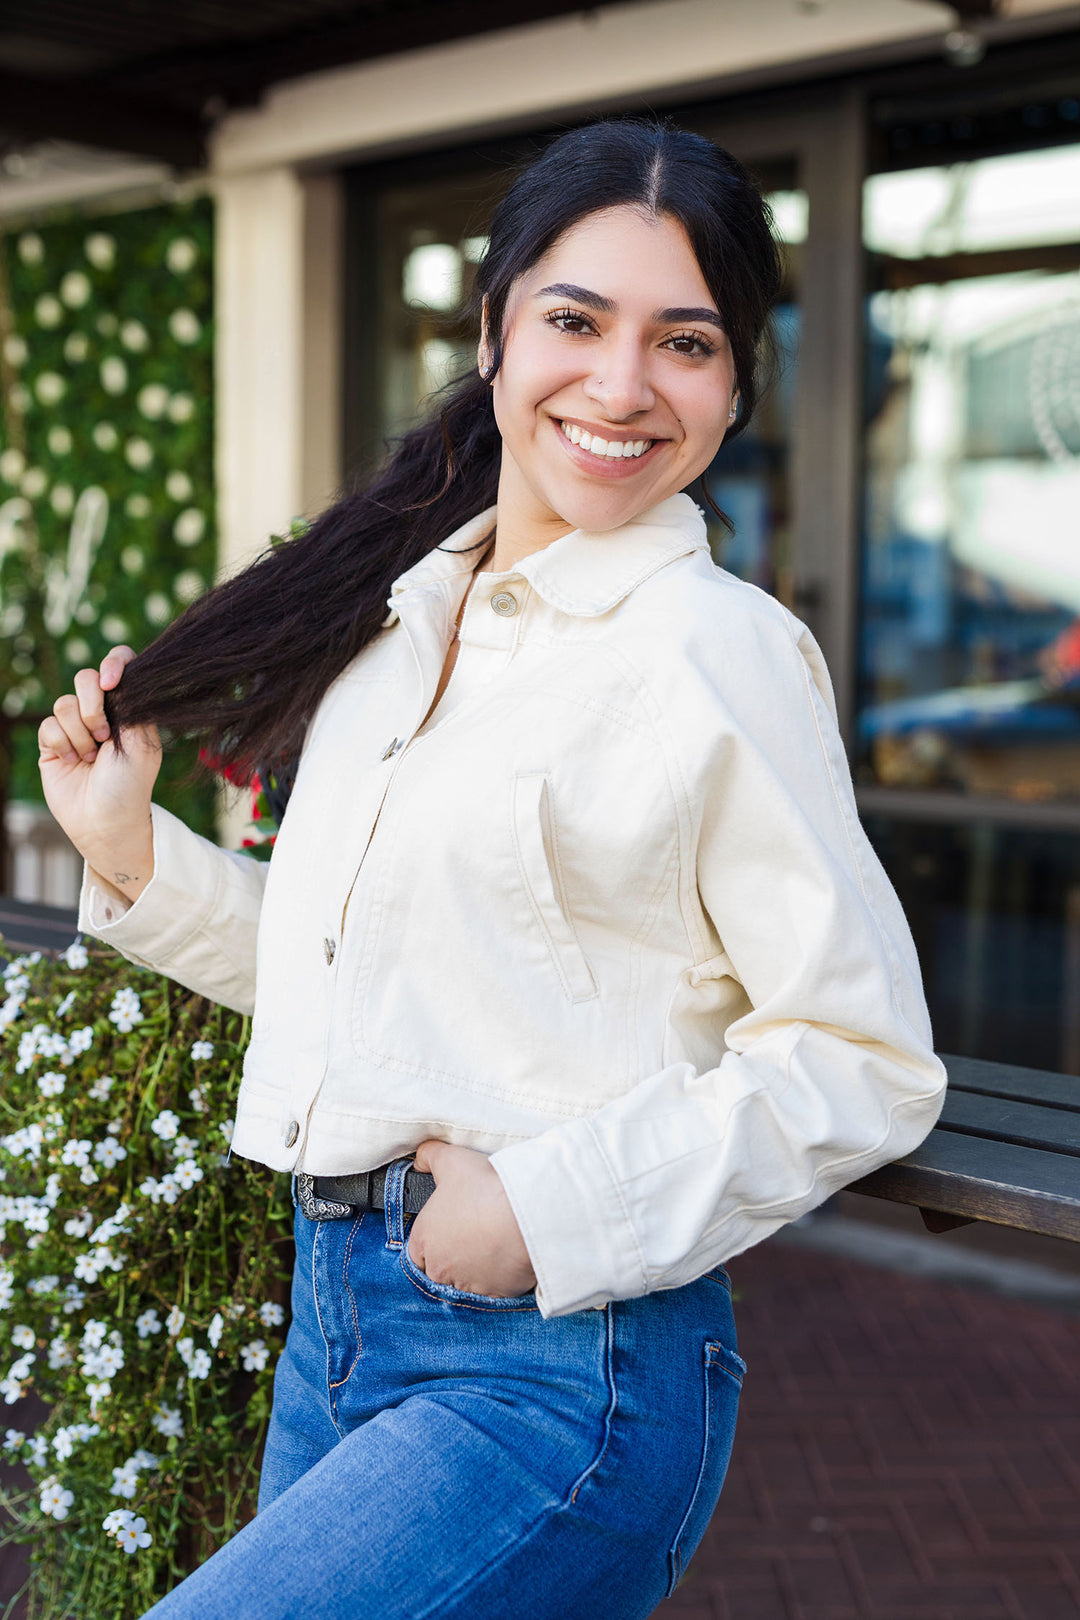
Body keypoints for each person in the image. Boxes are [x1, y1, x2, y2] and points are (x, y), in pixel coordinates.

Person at [38, 118, 946, 1620]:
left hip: (556, 1376)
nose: (620, 384)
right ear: (493, 331)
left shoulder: (716, 656)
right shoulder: (401, 636)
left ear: (736, 385)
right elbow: (376, 989)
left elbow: (861, 1056)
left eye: (687, 341)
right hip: (336, 1323)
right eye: (575, 321)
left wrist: (548, 1209)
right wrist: (133, 853)